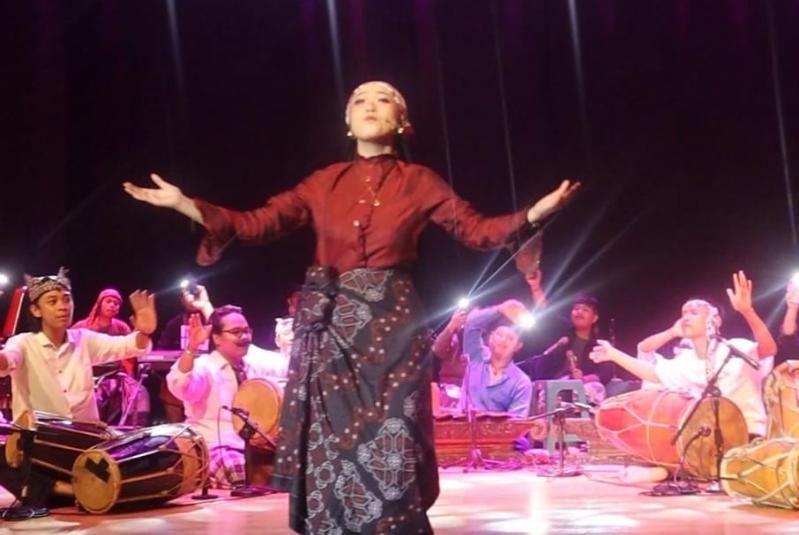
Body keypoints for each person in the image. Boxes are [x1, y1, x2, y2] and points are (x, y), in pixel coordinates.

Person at [123, 80, 578, 535]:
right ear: (346, 122)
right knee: (334, 443)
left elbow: (477, 230)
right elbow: (258, 223)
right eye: (359, 99)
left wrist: (533, 214)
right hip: (333, 331)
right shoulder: (324, 182)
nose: (370, 105)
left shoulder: (420, 181)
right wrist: (185, 204)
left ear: (402, 121)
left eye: (384, 99)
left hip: (394, 329)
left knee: (392, 438)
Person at [0, 268, 156, 504]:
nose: (63, 306)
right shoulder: (22, 343)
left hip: (84, 448)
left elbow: (127, 345)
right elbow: (7, 360)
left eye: (67, 299)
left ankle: (70, 489)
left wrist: (144, 331)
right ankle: (73, 491)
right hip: (40, 450)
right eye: (52, 301)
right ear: (35, 310)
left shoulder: (83, 340)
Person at [590, 270, 777, 438]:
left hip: (747, 434)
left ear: (715, 320)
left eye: (694, 312)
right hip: (709, 439)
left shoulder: (736, 347)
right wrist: (614, 354)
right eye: (683, 313)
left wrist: (747, 311)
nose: (686, 317)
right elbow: (653, 374)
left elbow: (769, 349)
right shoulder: (686, 361)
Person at [167, 305, 286, 488]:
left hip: (256, 446)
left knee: (296, 465)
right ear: (216, 338)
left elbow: (290, 367)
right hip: (215, 445)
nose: (244, 337)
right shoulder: (205, 366)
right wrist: (191, 347)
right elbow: (179, 386)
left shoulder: (255, 363)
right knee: (240, 473)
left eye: (247, 331)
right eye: (236, 332)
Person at [534, 293, 613, 404]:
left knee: (596, 388)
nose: (579, 312)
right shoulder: (561, 333)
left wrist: (583, 379)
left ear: (594, 318)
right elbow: (548, 314)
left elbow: (606, 372)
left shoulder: (599, 344)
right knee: (546, 392)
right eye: (576, 309)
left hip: (583, 388)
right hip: (557, 384)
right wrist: (536, 288)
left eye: (585, 310)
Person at [460, 299, 533, 417]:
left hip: (497, 430)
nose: (503, 340)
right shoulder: (475, 356)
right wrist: (500, 309)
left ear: (518, 346)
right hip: (461, 427)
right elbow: (471, 322)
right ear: (491, 336)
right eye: (499, 334)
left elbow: (517, 422)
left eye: (510, 338)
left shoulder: (521, 382)